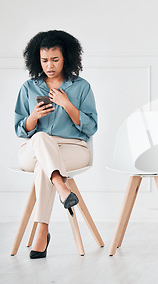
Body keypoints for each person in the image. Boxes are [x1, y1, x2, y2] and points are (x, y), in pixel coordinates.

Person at [14, 30, 98, 259]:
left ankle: (42, 229)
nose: (49, 65)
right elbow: (19, 128)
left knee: (46, 166)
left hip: (72, 148)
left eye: (55, 59)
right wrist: (33, 118)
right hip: (34, 148)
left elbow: (91, 128)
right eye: (44, 60)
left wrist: (68, 105)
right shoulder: (28, 88)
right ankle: (61, 187)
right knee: (41, 139)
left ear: (66, 58)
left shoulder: (81, 87)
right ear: (36, 60)